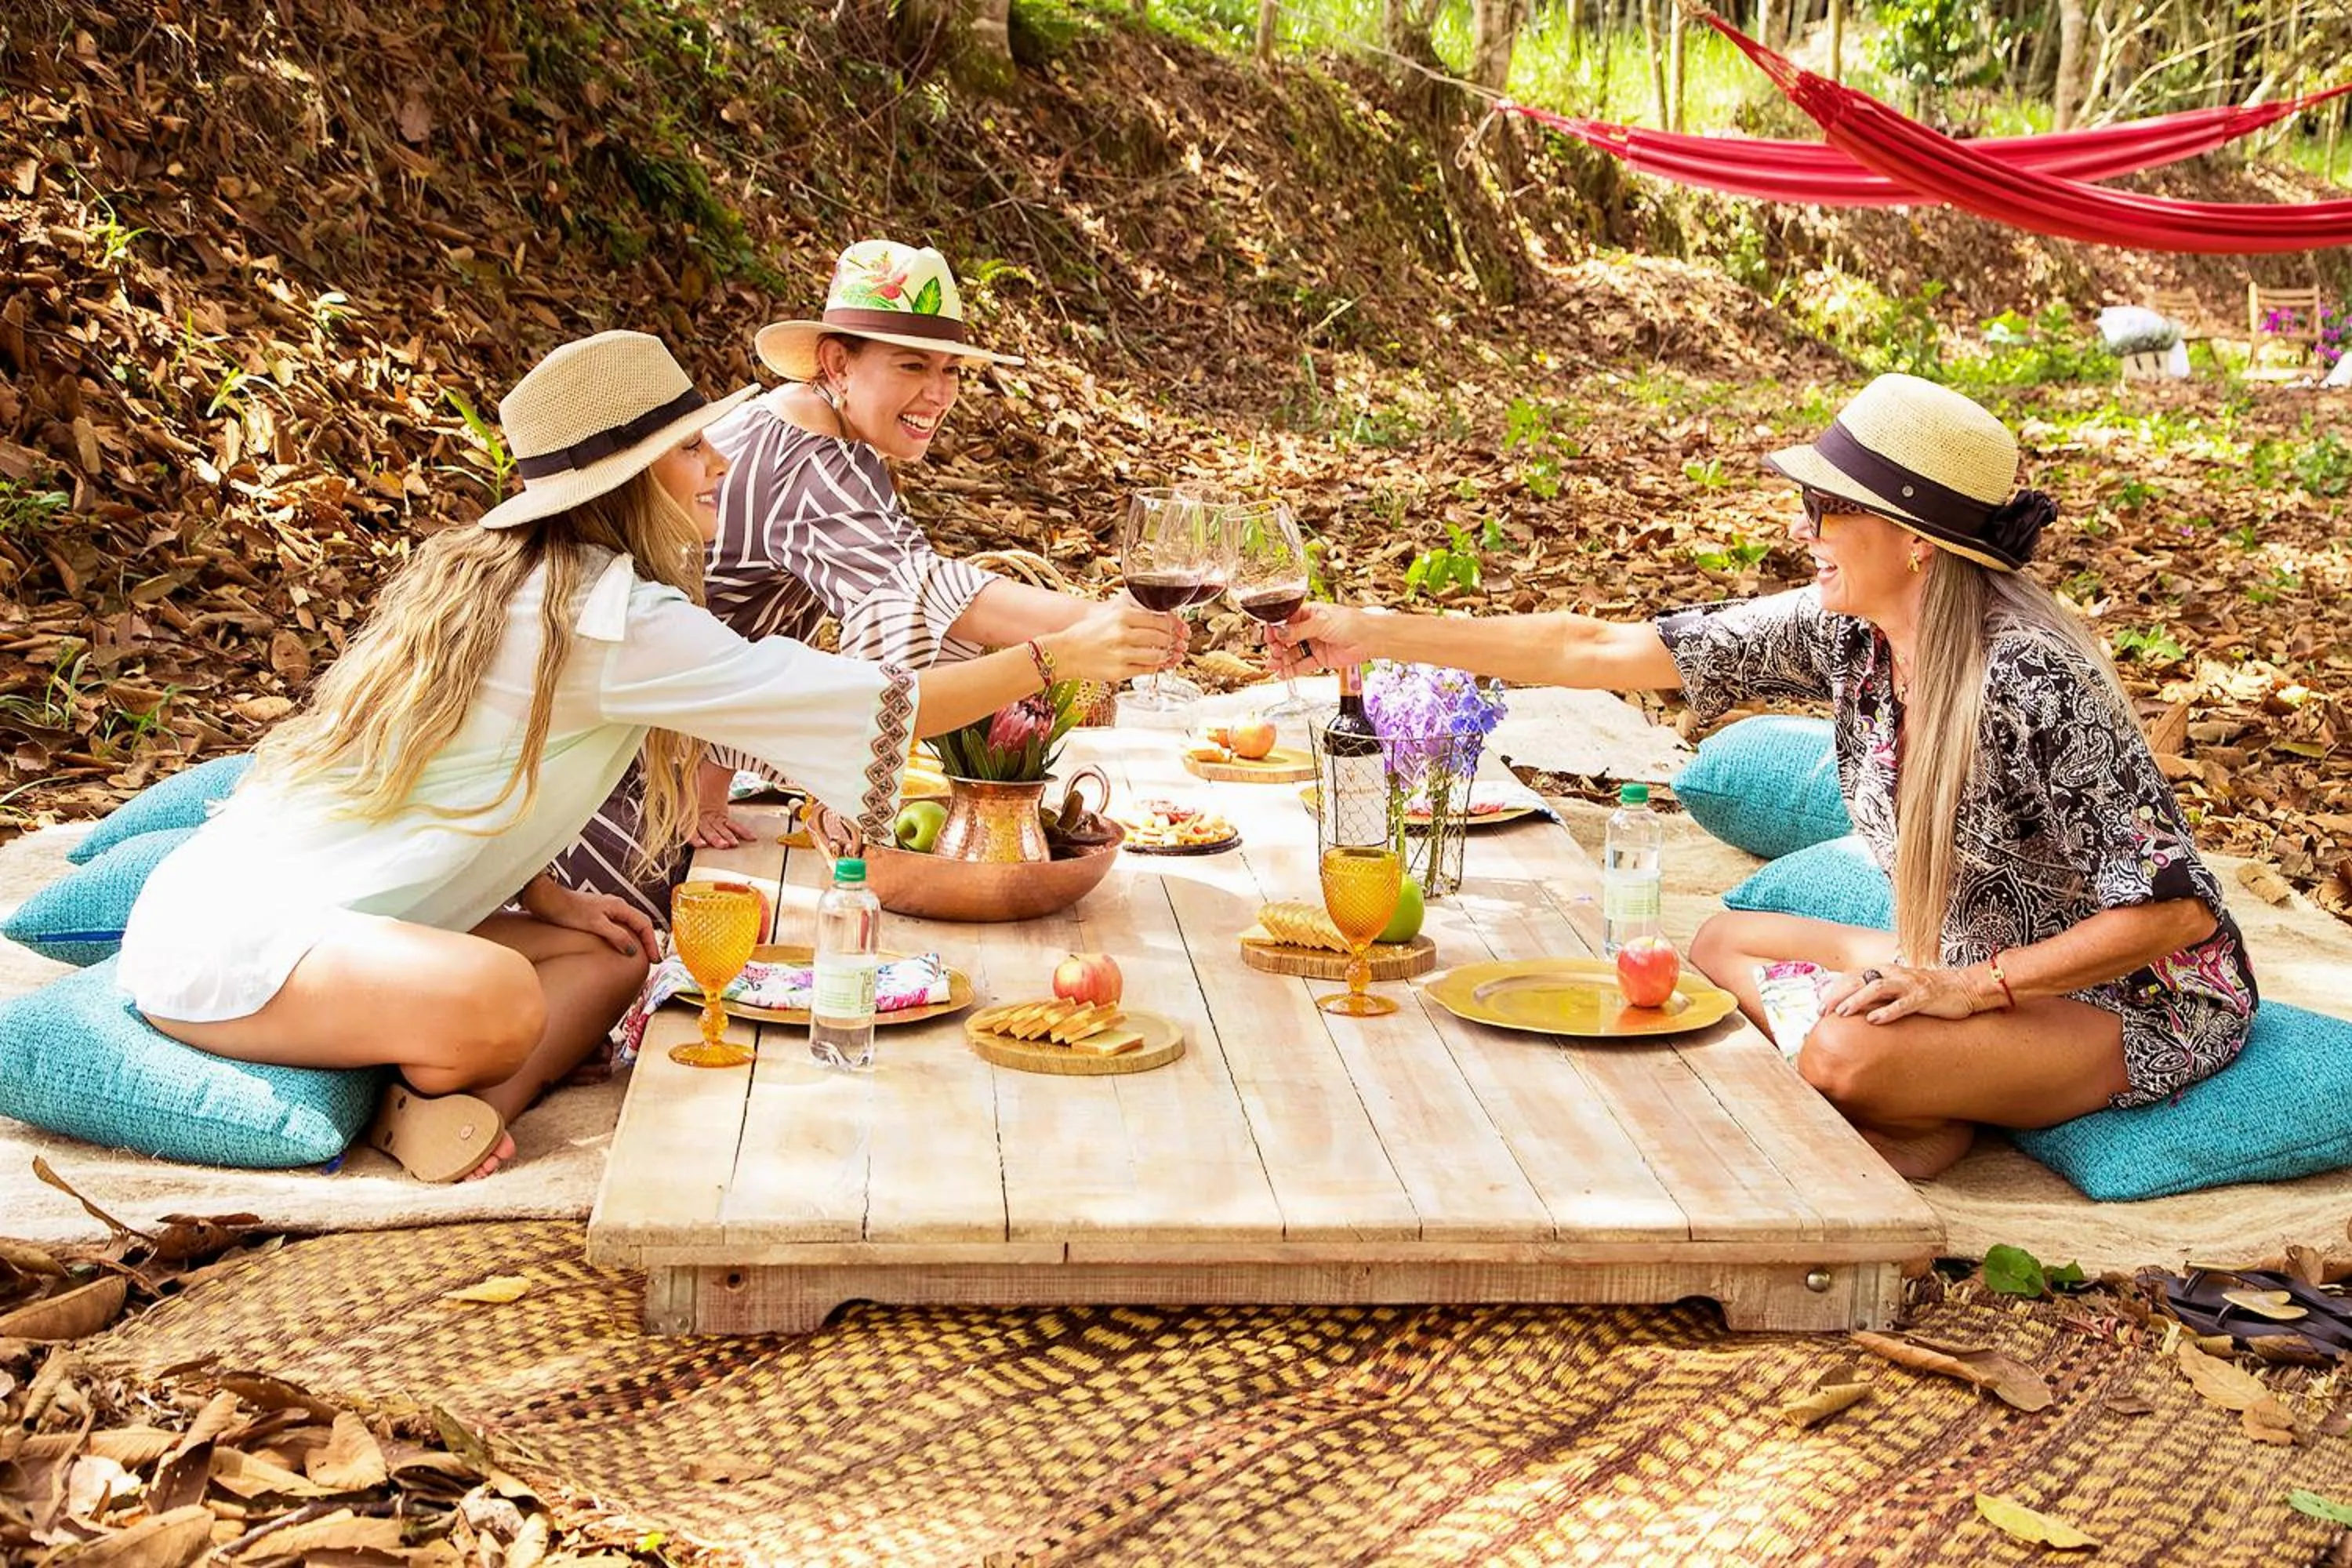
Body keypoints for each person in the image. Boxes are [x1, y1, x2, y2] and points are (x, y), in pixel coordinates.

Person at [117, 331, 1171, 1182]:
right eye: (693, 451)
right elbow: (871, 703)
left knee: (618, 950)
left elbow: (450, 774)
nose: (721, 465)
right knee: (499, 1001)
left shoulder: (539, 578)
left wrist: (551, 900)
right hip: (232, 946)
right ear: (625, 481)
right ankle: (420, 1096)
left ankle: (462, 1110)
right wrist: (1053, 656)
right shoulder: (604, 614)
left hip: (343, 920)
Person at [1269, 374, 2255, 1179]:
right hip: (1952, 960)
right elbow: (1599, 645)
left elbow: (2176, 913)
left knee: (1839, 1051)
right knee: (1717, 939)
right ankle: (1932, 1097)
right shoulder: (1847, 630)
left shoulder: (2030, 678)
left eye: (1827, 506)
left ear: (1917, 541)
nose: (1805, 528)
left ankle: (1911, 1092)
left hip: (2128, 996)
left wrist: (1973, 989)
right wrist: (1367, 629)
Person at [554, 239, 1185, 924]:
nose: (937, 392)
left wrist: (710, 778)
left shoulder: (781, 421)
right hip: (611, 804)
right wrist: (1098, 626)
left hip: (648, 769)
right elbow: (919, 588)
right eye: (911, 364)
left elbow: (723, 618)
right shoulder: (813, 457)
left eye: (950, 369)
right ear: (837, 363)